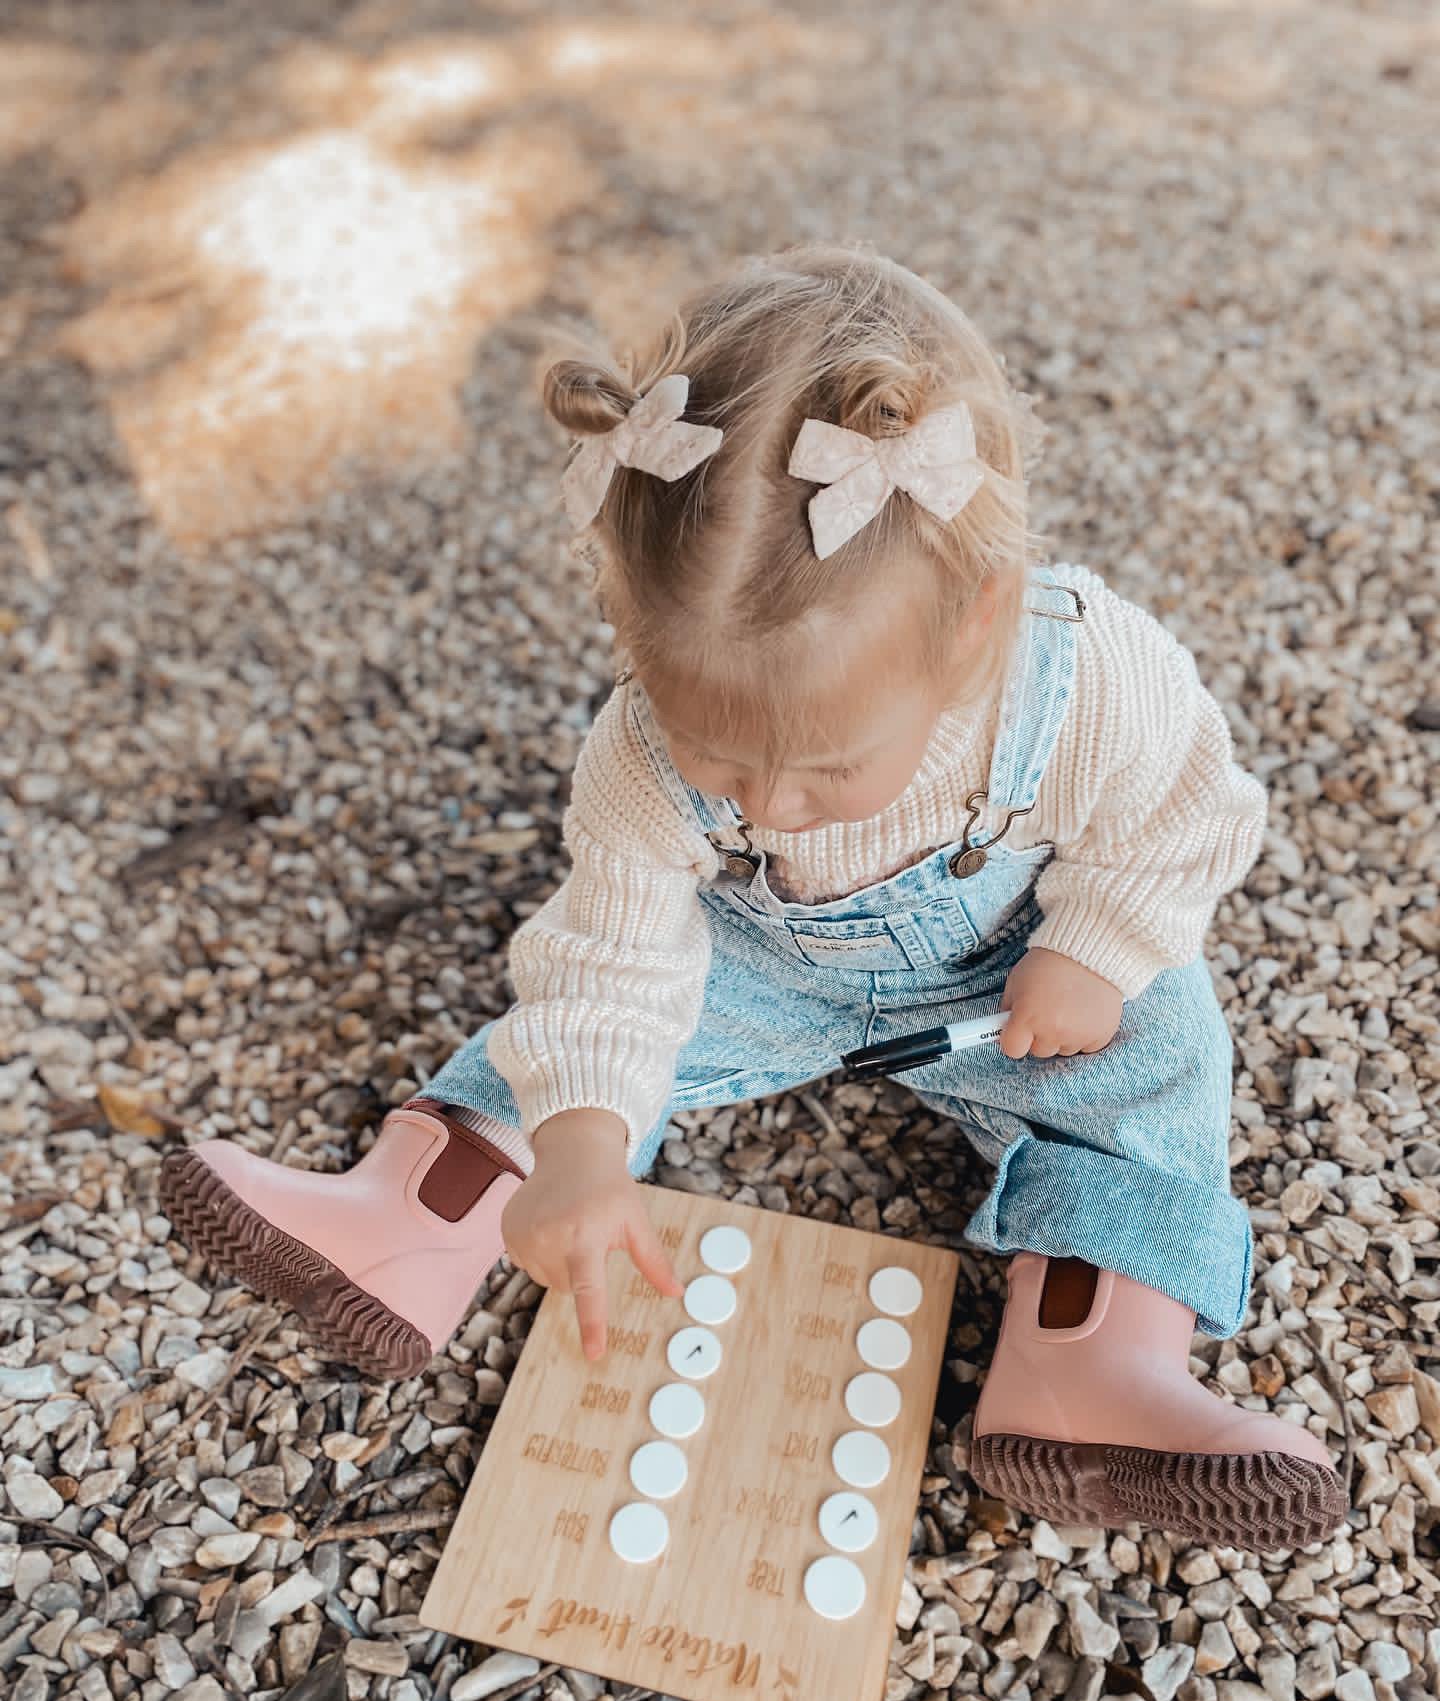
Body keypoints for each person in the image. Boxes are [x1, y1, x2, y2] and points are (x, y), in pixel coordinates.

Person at [161, 242, 1344, 1550]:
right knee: (554, 1047)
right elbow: (614, 957)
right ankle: (412, 1225)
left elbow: (1191, 814)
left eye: (828, 765)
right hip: (758, 969)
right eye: (725, 756)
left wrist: (1101, 949)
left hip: (1012, 973)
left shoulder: (1089, 677)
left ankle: (1094, 1362)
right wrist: (586, 1154)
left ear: (976, 624)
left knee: (1161, 1060)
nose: (770, 806)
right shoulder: (639, 759)